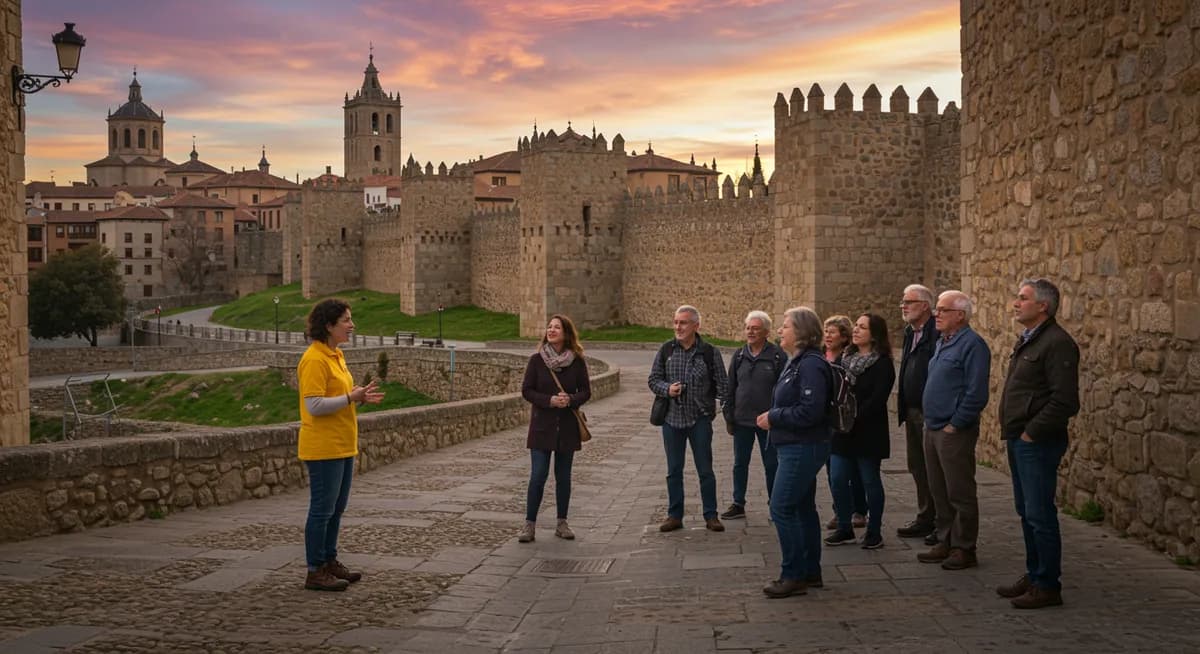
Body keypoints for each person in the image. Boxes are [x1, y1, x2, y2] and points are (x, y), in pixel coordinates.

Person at [996, 279, 1079, 609]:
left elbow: (1065, 401)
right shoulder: (1030, 340)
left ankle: (1047, 585)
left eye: (1023, 298)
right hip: (1020, 439)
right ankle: (1034, 574)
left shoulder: (1057, 343)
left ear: (1043, 306)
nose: (1016, 303)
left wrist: (1032, 432)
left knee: (1040, 514)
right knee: (1026, 511)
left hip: (1037, 442)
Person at [297, 298, 384, 591]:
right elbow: (314, 405)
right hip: (323, 446)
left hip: (344, 444)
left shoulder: (336, 356)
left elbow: (337, 400)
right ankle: (315, 570)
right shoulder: (314, 359)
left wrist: (357, 396)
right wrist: (350, 397)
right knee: (322, 510)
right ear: (329, 325)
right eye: (346, 320)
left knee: (336, 509)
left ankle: (329, 561)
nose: (352, 325)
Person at [759, 306, 834, 598]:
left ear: (801, 332)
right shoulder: (798, 361)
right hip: (795, 445)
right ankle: (810, 571)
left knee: (781, 508)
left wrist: (774, 416)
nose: (780, 330)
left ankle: (792, 575)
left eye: (786, 326)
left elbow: (810, 411)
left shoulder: (811, 365)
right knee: (802, 508)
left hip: (803, 446)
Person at [917, 290, 991, 570]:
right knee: (939, 489)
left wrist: (955, 424)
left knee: (959, 490)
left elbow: (976, 392)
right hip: (933, 427)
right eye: (937, 309)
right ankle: (945, 539)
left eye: (943, 310)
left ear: (960, 315)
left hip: (952, 431)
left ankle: (964, 547)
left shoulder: (973, 345)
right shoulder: (943, 342)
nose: (937, 314)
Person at [648, 305, 729, 533]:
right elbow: (653, 379)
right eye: (675, 322)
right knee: (674, 470)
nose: (678, 327)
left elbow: (723, 384)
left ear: (696, 326)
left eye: (683, 323)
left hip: (699, 419)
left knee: (705, 469)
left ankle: (711, 515)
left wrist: (720, 407)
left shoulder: (709, 352)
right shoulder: (666, 350)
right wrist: (667, 389)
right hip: (672, 419)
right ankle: (675, 515)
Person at [824, 314, 895, 549]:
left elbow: (877, 399)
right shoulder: (845, 359)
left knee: (869, 481)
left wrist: (852, 415)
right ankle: (845, 527)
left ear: (874, 334)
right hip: (842, 431)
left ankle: (874, 531)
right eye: (856, 326)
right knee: (837, 478)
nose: (856, 330)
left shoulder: (882, 363)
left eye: (862, 327)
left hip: (868, 431)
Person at [518, 314, 592, 543]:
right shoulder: (536, 360)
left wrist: (570, 399)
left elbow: (586, 391)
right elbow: (527, 391)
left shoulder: (577, 361)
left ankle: (562, 523)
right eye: (549, 327)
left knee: (564, 477)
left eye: (556, 327)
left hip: (567, 428)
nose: (551, 330)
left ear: (566, 333)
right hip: (542, 427)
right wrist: (549, 400)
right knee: (538, 476)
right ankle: (529, 525)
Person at [720, 310, 786, 520]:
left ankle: (774, 504)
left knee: (771, 464)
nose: (750, 332)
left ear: (766, 332)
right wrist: (729, 415)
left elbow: (784, 389)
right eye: (748, 327)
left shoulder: (777, 356)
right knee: (740, 463)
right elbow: (730, 387)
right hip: (742, 420)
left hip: (768, 421)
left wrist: (777, 416)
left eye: (755, 328)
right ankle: (738, 503)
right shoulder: (739, 355)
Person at [896, 284, 940, 545]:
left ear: (925, 305)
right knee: (917, 466)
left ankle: (941, 522)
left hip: (929, 411)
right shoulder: (909, 332)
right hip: (912, 410)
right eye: (903, 301)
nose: (904, 306)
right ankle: (926, 516)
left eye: (909, 302)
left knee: (935, 469)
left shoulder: (935, 333)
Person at [822, 315, 867, 530]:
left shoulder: (848, 358)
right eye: (826, 331)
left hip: (846, 420)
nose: (827, 336)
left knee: (853, 469)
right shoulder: (821, 356)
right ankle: (840, 509)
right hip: (826, 421)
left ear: (844, 336)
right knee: (833, 469)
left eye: (832, 332)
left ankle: (859, 510)